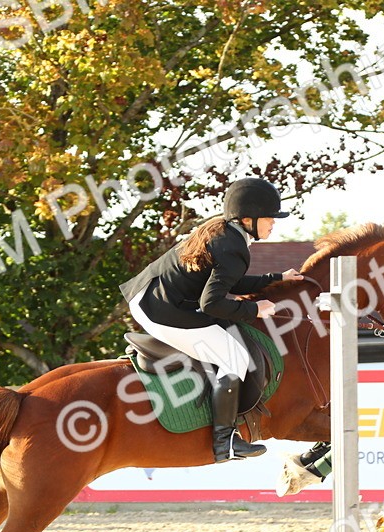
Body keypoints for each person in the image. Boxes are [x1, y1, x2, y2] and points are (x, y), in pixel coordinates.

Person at [119, 177, 303, 462]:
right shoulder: (234, 246)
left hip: (150, 297)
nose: (273, 224)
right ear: (248, 218)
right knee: (235, 358)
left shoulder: (226, 234)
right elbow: (212, 303)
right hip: (161, 308)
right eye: (270, 218)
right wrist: (256, 310)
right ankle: (224, 441)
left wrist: (276, 279)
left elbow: (230, 282)